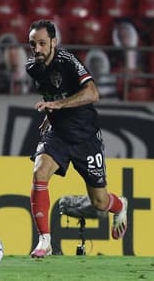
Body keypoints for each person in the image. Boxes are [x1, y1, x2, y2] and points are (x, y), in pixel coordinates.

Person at [25, 19, 128, 258]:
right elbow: (53, 92)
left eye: (42, 43)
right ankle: (44, 242)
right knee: (39, 173)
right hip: (58, 134)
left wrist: (57, 105)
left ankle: (120, 205)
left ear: (53, 42)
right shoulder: (33, 68)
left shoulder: (68, 62)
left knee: (100, 202)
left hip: (85, 137)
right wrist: (51, 116)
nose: (37, 49)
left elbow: (93, 93)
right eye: (33, 44)